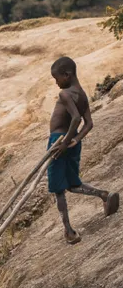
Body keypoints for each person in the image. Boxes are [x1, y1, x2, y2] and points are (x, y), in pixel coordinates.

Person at [48, 56, 119, 244]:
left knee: (58, 189)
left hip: (59, 141)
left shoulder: (65, 94)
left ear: (67, 75)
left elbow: (77, 119)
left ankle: (69, 232)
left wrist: (63, 143)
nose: (56, 83)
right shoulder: (82, 93)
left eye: (57, 79)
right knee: (72, 184)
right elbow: (89, 123)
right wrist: (76, 139)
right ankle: (103, 195)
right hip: (73, 142)